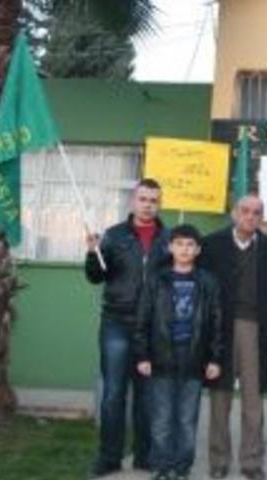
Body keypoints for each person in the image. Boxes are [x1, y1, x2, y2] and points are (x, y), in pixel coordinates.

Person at [85, 178, 169, 477]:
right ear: (133, 201)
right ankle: (109, 457)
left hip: (152, 327)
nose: (148, 205)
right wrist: (92, 253)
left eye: (153, 200)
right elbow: (95, 276)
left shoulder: (168, 238)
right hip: (117, 323)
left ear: (160, 204)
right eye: (143, 199)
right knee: (113, 393)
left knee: (147, 396)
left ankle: (144, 456)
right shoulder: (114, 235)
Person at [203, 195, 267, 480]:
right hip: (219, 329)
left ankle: (251, 462)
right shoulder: (211, 245)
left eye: (257, 212)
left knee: (253, 402)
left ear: (262, 217)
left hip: (255, 329)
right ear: (235, 214)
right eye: (245, 211)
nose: (251, 216)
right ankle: (218, 460)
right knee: (219, 399)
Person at [134, 224, 224, 480]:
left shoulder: (208, 282)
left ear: (198, 250)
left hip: (194, 358)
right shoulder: (156, 280)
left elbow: (217, 322)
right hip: (161, 357)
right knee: (161, 418)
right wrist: (142, 355)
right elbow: (143, 319)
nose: (185, 249)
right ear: (170, 247)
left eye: (190, 245)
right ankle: (161, 466)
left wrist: (215, 358)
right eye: (180, 244)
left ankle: (182, 467)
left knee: (186, 419)